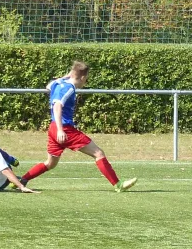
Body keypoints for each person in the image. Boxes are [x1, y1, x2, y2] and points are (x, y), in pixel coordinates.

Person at [17, 61, 137, 192]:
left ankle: (21, 181)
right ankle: (118, 185)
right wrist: (61, 130)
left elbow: (48, 86)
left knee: (50, 163)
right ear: (83, 77)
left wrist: (65, 76)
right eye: (86, 79)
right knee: (98, 153)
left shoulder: (57, 83)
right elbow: (57, 106)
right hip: (65, 129)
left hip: (52, 128)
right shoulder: (69, 88)